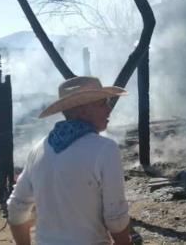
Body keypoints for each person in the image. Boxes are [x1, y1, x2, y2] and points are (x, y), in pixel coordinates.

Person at [7, 76, 132, 245]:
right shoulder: (105, 149)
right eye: (102, 103)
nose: (109, 109)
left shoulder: (38, 150)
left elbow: (16, 208)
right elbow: (116, 218)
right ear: (82, 110)